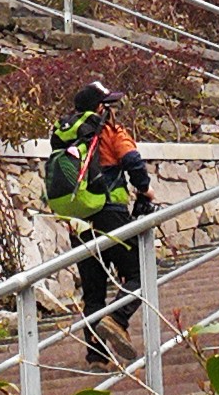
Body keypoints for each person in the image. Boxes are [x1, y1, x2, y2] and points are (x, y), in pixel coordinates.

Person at [46, 81, 154, 366]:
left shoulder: (65, 136)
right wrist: (145, 190)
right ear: (99, 107)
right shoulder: (109, 131)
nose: (110, 109)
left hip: (78, 217)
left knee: (93, 290)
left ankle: (96, 356)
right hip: (111, 212)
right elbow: (132, 161)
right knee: (141, 272)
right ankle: (117, 319)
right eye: (107, 104)